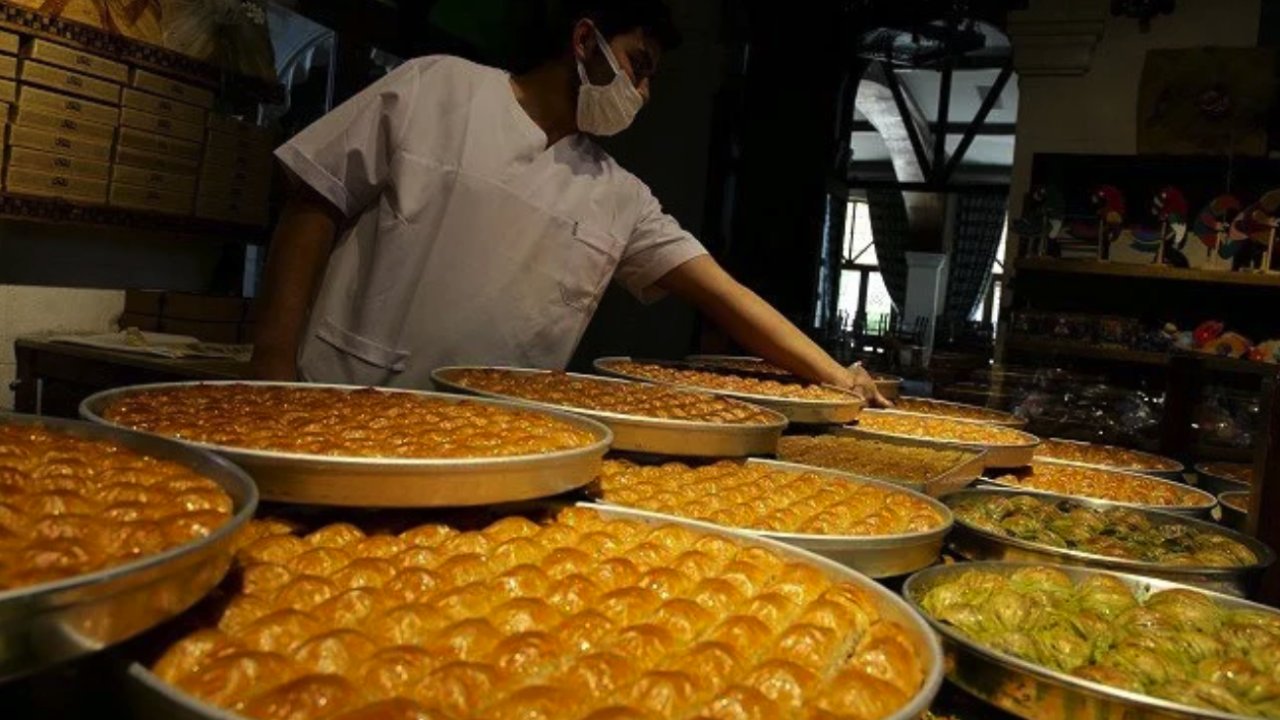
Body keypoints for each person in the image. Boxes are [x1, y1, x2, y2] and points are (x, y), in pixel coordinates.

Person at [251, 0, 889, 405]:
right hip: (338, 394)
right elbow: (315, 198)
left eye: (650, 81)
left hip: (495, 433)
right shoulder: (438, 87)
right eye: (637, 66)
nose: (641, 92)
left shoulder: (620, 196)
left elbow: (724, 293)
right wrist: (272, 360)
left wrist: (834, 374)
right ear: (585, 41)